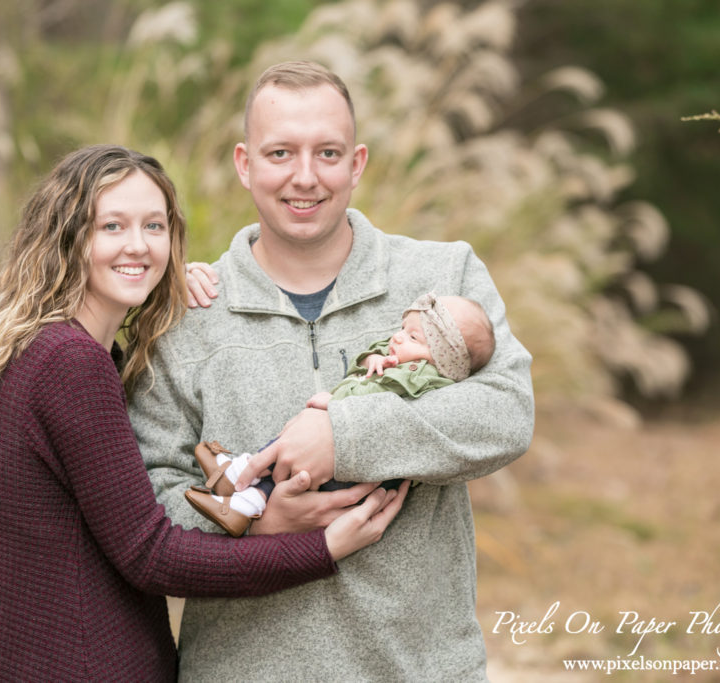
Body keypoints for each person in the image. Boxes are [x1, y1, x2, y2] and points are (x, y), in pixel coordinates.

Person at [0, 144, 408, 681]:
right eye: (111, 227)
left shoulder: (50, 349)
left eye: (153, 227)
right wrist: (319, 549)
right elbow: (151, 555)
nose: (137, 245)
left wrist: (161, 290)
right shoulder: (71, 363)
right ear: (67, 236)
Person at [130, 61, 534, 681]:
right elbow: (149, 507)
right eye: (280, 152)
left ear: (357, 163)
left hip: (419, 669)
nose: (305, 177)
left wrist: (343, 437)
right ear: (244, 164)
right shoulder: (184, 316)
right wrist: (260, 526)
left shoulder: (443, 277)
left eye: (327, 152)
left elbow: (506, 413)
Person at [186, 292, 496, 536]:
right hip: (353, 466)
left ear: (442, 361)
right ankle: (241, 475)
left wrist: (335, 410)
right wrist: (376, 358)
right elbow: (376, 367)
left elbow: (385, 394)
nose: (398, 338)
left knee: (302, 457)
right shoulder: (404, 363)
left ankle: (247, 496)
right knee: (298, 439)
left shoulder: (422, 377)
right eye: (402, 329)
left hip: (359, 477)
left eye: (414, 338)